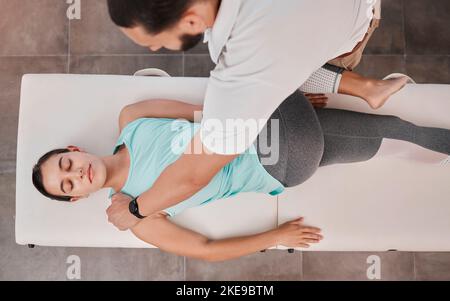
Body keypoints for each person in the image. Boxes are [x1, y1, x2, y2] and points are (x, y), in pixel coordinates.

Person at [32, 90, 450, 261]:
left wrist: (284, 104)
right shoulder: (136, 216)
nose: (77, 174)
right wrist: (275, 237)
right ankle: (327, 87)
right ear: (77, 198)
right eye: (69, 185)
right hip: (277, 159)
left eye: (67, 165)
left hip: (271, 119)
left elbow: (207, 112)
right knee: (387, 132)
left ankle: (310, 92)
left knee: (390, 132)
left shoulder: (133, 119)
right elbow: (205, 248)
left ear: (75, 150)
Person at [104, 0, 395, 231]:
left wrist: (135, 210)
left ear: (191, 20)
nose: (155, 49)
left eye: (154, 42)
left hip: (352, 19)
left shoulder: (237, 73)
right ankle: (365, 88)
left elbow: (193, 174)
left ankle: (365, 87)